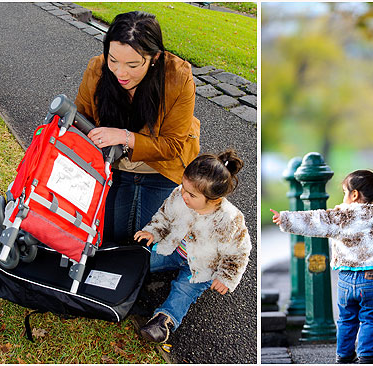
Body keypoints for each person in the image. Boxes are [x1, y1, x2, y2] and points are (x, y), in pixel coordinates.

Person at [75, 11, 200, 244]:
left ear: (154, 57)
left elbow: (171, 146)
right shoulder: (97, 69)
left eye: (133, 64)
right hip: (114, 169)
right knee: (106, 241)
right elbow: (80, 121)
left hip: (162, 170)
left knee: (154, 248)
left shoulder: (179, 76)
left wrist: (124, 136)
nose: (121, 73)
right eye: (113, 60)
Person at [270, 170, 373, 364]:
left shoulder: (340, 216)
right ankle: (367, 355)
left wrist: (286, 219)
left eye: (344, 192)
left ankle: (344, 354)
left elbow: (315, 220)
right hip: (371, 279)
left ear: (355, 194)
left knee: (346, 320)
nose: (344, 197)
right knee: (371, 320)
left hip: (345, 280)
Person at [132, 150, 251, 343]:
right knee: (142, 260)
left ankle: (164, 321)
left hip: (202, 267)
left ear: (214, 199)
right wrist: (152, 232)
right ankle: (118, 278)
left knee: (184, 290)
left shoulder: (229, 220)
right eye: (183, 187)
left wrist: (225, 277)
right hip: (173, 250)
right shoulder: (180, 195)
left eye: (191, 194)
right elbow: (164, 217)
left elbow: (238, 253)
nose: (184, 195)